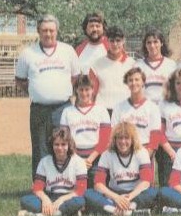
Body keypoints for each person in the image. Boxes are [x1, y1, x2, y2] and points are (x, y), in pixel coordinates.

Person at [15, 14, 80, 179]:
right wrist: (38, 92)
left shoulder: (68, 50)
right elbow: (20, 80)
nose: (48, 34)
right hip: (39, 109)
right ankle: (40, 187)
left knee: (64, 147)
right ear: (38, 31)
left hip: (63, 108)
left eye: (51, 30)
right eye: (44, 30)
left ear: (57, 31)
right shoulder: (28, 53)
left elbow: (75, 77)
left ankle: (65, 184)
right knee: (40, 148)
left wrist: (58, 90)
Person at [84, 122, 157, 216]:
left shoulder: (142, 152)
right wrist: (116, 198)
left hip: (135, 194)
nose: (123, 142)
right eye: (120, 138)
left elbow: (146, 181)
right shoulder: (107, 154)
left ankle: (121, 210)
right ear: (114, 139)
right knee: (89, 193)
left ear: (133, 139)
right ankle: (126, 212)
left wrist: (128, 198)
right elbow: (98, 184)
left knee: (152, 192)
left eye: (126, 138)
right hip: (114, 194)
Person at [18, 128, 87, 216]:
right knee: (25, 200)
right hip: (49, 195)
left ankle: (41, 215)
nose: (60, 148)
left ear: (69, 145)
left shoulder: (78, 162)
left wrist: (61, 199)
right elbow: (37, 188)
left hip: (68, 197)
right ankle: (65, 213)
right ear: (52, 145)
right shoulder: (45, 161)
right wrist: (45, 200)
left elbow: (81, 190)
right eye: (56, 144)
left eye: (63, 144)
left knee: (79, 201)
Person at [111, 68, 161, 184]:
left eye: (137, 80)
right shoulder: (119, 107)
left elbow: (155, 138)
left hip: (144, 151)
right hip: (123, 151)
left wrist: (144, 157)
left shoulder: (152, 107)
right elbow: (114, 133)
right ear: (127, 83)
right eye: (130, 80)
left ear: (143, 82)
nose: (134, 83)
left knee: (145, 188)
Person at [60, 75, 111, 188]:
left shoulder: (101, 110)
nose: (84, 93)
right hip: (74, 156)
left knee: (97, 192)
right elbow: (64, 139)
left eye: (87, 89)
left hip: (97, 158)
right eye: (81, 89)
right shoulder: (67, 112)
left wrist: (89, 160)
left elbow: (105, 139)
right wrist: (77, 160)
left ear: (93, 90)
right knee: (76, 192)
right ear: (76, 90)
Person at [89, 26, 136, 116]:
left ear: (123, 41)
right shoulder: (96, 65)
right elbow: (91, 93)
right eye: (112, 41)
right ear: (107, 42)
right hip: (103, 112)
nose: (115, 44)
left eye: (118, 40)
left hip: (125, 111)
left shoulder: (132, 64)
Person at [134, 28, 177, 104]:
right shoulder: (138, 65)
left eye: (155, 42)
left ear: (162, 43)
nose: (152, 45)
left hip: (165, 108)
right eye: (149, 42)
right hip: (145, 109)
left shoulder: (171, 65)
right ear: (145, 45)